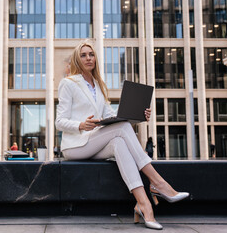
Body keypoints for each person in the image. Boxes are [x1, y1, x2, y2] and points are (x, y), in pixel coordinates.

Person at [55, 42, 189, 230]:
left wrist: (138, 116)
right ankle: (158, 183)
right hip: (75, 145)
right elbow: (59, 121)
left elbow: (112, 117)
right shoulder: (68, 83)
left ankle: (144, 205)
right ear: (78, 59)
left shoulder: (99, 86)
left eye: (91, 54)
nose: (88, 58)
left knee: (119, 140)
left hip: (94, 143)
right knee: (121, 129)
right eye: (83, 55)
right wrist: (80, 125)